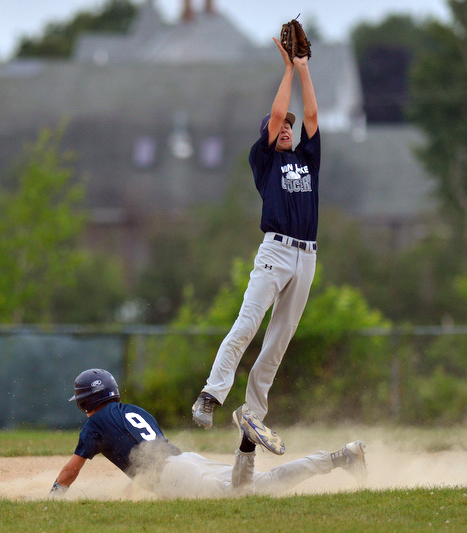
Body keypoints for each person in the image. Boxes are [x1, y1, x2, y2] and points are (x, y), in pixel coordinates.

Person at [191, 31, 321, 457]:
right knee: (248, 325)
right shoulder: (265, 160)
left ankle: (253, 414)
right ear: (267, 132)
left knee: (279, 340)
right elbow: (280, 107)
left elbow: (312, 116)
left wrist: (304, 69)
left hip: (307, 258)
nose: (285, 127)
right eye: (278, 125)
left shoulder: (305, 158)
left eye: (289, 126)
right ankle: (211, 394)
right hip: (276, 251)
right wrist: (286, 69)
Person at [50, 369, 366, 500]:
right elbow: (143, 454)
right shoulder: (135, 411)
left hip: (175, 475)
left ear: (84, 403)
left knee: (242, 494)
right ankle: (342, 456)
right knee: (261, 486)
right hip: (187, 461)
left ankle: (246, 442)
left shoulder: (95, 424)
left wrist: (54, 498)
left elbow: (71, 469)